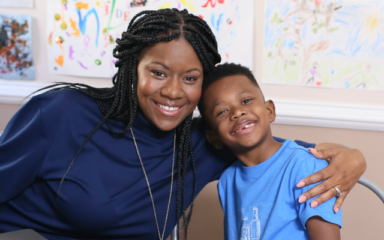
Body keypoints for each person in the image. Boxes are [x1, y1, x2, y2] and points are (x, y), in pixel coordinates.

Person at [0, 9, 365, 240]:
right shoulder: (61, 113)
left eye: (190, 78)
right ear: (132, 70)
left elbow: (279, 152)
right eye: (158, 73)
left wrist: (353, 157)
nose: (173, 92)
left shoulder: (205, 143)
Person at [198, 63, 342, 240]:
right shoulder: (228, 181)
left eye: (245, 101)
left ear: (269, 111)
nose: (237, 112)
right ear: (214, 138)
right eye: (222, 111)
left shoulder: (305, 165)